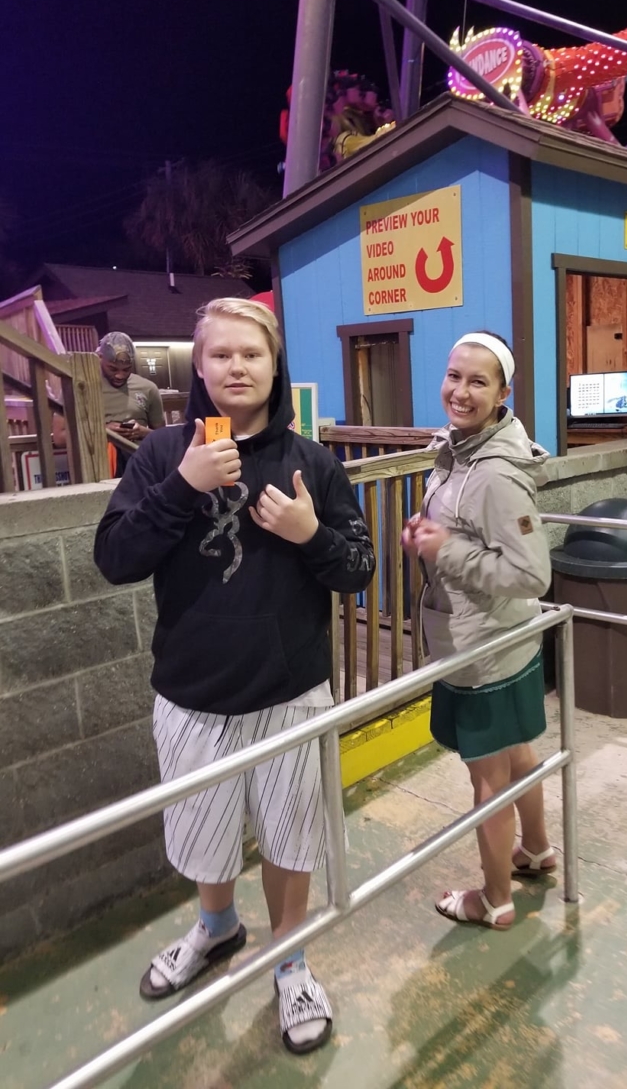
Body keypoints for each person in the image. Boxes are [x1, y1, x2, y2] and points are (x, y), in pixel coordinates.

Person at [94, 298, 375, 1054]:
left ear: (274, 363)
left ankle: (291, 961)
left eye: (251, 354)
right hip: (190, 693)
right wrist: (183, 486)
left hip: (291, 693)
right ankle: (215, 927)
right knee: (201, 836)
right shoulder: (162, 454)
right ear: (199, 367)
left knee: (292, 838)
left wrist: (310, 532)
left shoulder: (312, 461)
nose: (236, 368)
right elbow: (115, 558)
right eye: (219, 355)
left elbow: (358, 569)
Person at [402, 331, 555, 931]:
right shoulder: (461, 450)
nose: (460, 391)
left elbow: (530, 573)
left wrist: (447, 552)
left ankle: (494, 899)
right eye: (453, 376)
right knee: (518, 754)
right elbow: (468, 534)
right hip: (500, 639)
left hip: (485, 647)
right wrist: (435, 537)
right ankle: (537, 850)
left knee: (487, 779)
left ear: (502, 394)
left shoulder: (494, 473)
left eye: (477, 382)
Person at [53, 331, 165, 475]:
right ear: (100, 358)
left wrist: (142, 432)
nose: (120, 375)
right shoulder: (79, 386)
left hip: (140, 468)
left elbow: (162, 436)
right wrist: (103, 432)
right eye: (112, 368)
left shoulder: (147, 388)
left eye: (126, 370)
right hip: (95, 469)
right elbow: (59, 438)